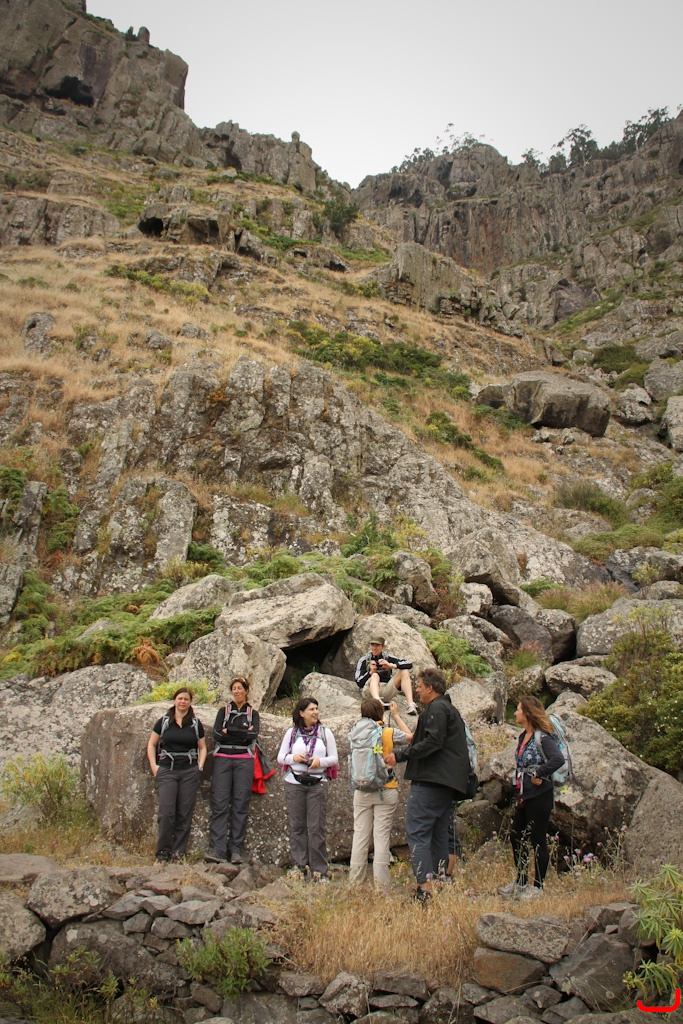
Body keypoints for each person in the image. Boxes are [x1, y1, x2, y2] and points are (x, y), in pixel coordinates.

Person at [384, 667, 469, 902]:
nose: (417, 690)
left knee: (417, 831)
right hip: (447, 783)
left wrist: (400, 755)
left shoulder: (436, 709)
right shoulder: (450, 710)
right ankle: (440, 882)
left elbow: (433, 742)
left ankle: (424, 888)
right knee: (440, 833)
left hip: (430, 781)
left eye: (420, 687)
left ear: (430, 689)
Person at [498, 696, 565, 900]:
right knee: (516, 836)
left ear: (527, 714)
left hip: (540, 794)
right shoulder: (523, 736)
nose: (515, 713)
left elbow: (557, 759)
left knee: (537, 839)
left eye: (518, 710)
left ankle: (537, 887)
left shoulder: (542, 737)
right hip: (524, 793)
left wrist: (538, 773)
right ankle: (520, 882)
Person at [348, 699, 413, 887]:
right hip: (386, 788)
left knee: (360, 836)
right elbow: (410, 738)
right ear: (380, 713)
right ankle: (381, 886)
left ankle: (355, 883)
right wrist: (396, 715)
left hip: (361, 789)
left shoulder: (355, 732)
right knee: (381, 837)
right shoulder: (386, 732)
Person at [277, 697, 338, 881]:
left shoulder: (325, 733)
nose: (315, 712)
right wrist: (294, 758)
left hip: (317, 784)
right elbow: (281, 757)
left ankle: (320, 871)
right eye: (311, 709)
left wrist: (320, 761)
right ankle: (299, 866)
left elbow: (334, 758)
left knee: (317, 828)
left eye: (316, 709)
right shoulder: (292, 733)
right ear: (301, 713)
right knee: (297, 827)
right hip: (295, 783)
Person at [147, 687, 207, 864]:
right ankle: (162, 853)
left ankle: (178, 854)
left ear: (190, 702)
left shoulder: (195, 724)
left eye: (186, 699)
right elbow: (151, 744)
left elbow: (203, 747)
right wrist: (154, 767)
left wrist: (200, 766)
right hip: (167, 770)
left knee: (184, 813)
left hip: (189, 772)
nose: (183, 702)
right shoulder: (164, 722)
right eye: (180, 698)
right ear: (174, 700)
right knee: (166, 813)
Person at [205, 675, 260, 865]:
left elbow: (253, 735)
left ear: (246, 691)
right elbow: (217, 734)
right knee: (219, 803)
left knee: (240, 803)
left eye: (240, 688)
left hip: (244, 760)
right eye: (234, 688)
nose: (237, 691)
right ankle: (218, 849)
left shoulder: (253, 713)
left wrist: (229, 731)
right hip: (223, 758)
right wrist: (241, 734)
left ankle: (236, 850)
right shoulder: (224, 711)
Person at [355, 635, 417, 714]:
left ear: (383, 647)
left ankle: (411, 704)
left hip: (386, 690)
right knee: (375, 676)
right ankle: (377, 702)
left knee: (404, 671)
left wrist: (391, 665)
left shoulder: (387, 657)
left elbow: (409, 663)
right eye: (372, 645)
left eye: (377, 645)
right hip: (369, 690)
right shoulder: (364, 660)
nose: (374, 648)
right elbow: (358, 682)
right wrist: (370, 673)